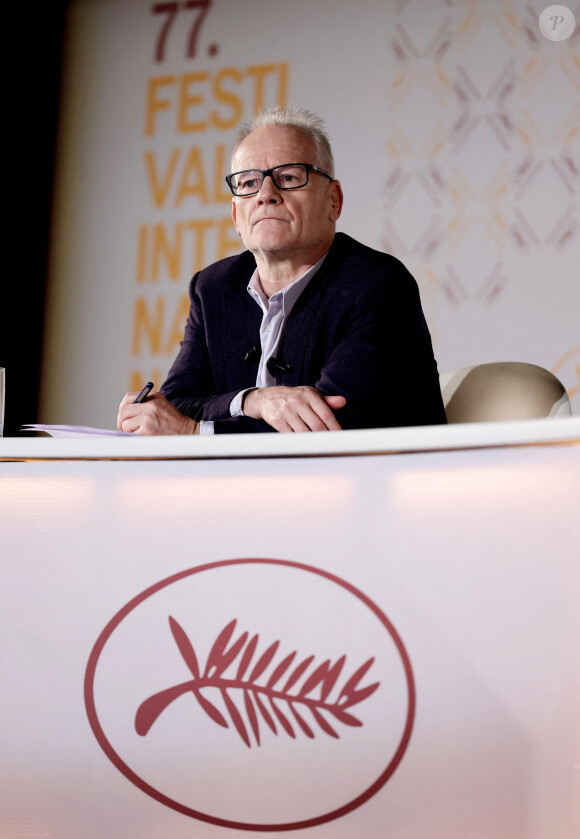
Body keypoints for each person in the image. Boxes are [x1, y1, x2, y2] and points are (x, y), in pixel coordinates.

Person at [117, 107, 446, 435]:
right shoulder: (213, 288)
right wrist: (254, 401)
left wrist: (194, 433)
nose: (266, 195)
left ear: (334, 200)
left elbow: (324, 428)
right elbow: (178, 404)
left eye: (288, 177)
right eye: (248, 182)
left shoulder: (377, 285)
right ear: (236, 216)